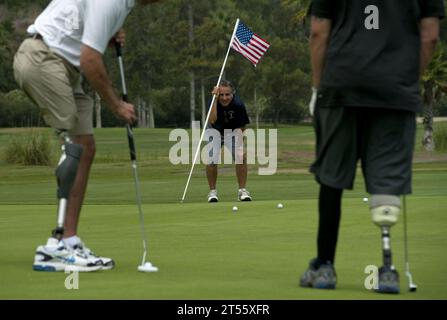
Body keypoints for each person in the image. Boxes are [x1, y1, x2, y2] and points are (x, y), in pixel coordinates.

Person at [300, 0, 444, 293]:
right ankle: (389, 271)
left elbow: (318, 31)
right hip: (394, 91)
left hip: (341, 86)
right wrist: (404, 80)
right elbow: (430, 35)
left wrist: (318, 88)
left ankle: (325, 267)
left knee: (332, 178)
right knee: (386, 179)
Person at [13, 0, 162, 272]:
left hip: (64, 67)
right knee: (73, 144)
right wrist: (116, 105)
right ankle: (55, 246)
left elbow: (81, 34)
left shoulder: (123, 5)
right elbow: (90, 60)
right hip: (43, 58)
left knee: (85, 146)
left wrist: (106, 36)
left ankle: (69, 240)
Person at [205, 80, 252, 203]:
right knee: (211, 159)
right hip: (214, 130)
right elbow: (212, 120)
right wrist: (215, 100)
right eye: (221, 95)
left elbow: (242, 126)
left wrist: (239, 143)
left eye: (227, 94)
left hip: (232, 131)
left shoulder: (239, 105)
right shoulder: (213, 101)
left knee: (241, 157)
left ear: (233, 93)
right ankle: (212, 192)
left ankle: (242, 191)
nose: (224, 98)